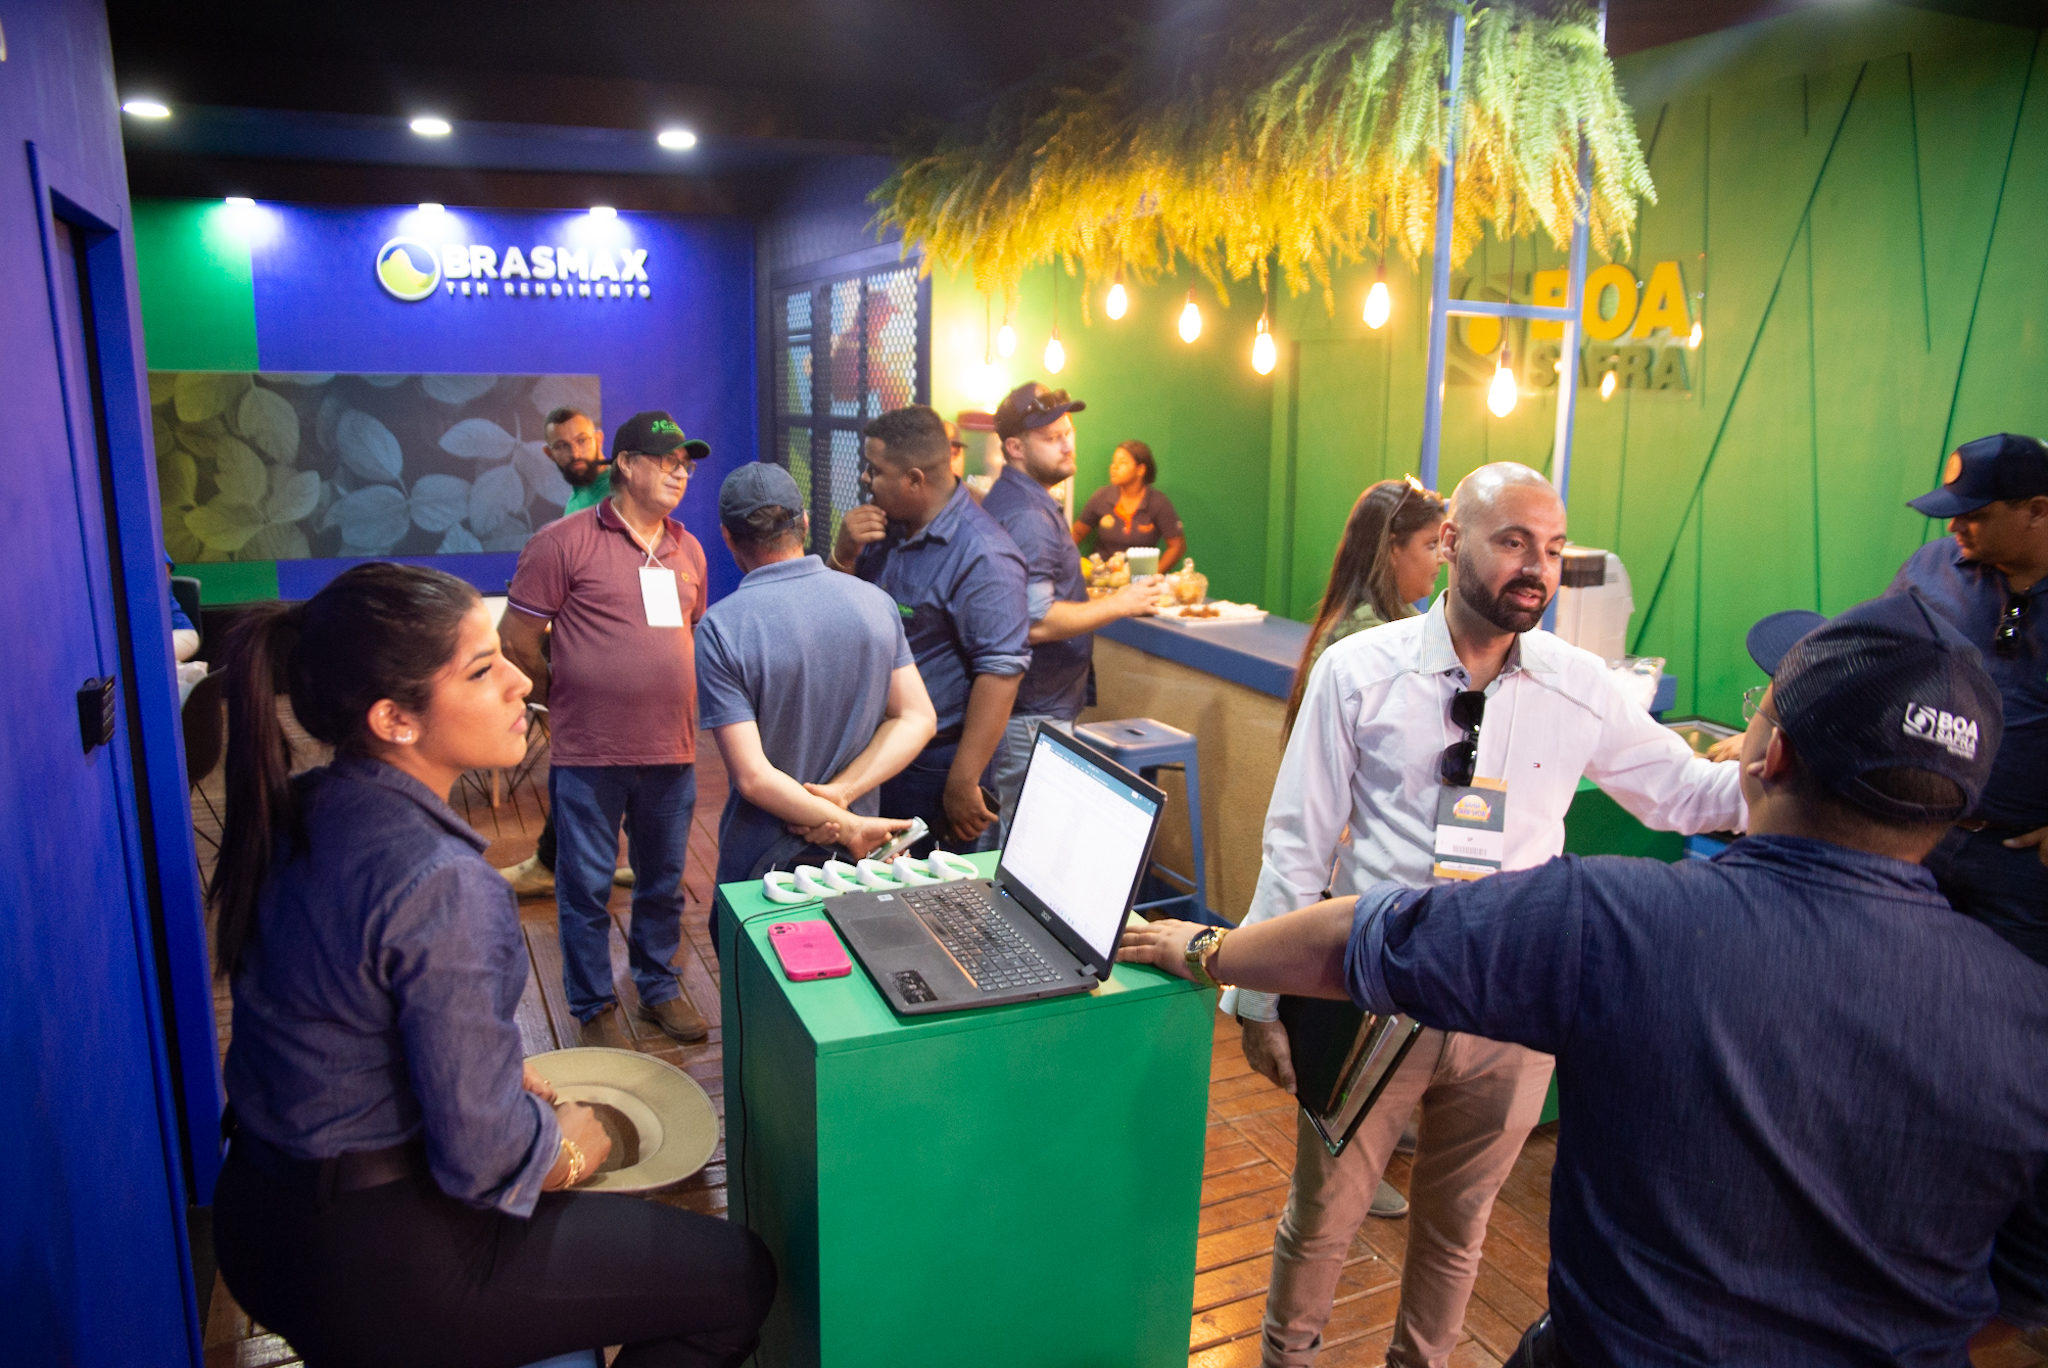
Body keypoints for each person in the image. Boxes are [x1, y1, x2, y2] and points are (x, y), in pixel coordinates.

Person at [1123, 590, 2048, 1367]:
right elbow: (2019, 1293)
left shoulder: (1617, 922)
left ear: (1769, 758)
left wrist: (1206, 951)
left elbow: (1359, 939)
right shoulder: (2027, 1014)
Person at [1221, 461, 1745, 1368]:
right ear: (1453, 542)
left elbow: (1684, 794)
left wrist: (1791, 775)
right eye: (1514, 542)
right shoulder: (1360, 671)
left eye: (1553, 548)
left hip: (1514, 1005)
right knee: (1324, 1217)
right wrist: (1260, 1000)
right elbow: (1298, 843)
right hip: (1371, 990)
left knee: (1459, 1225)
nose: (1537, 567)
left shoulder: (1581, 685)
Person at [208, 562, 775, 1368]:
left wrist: (498, 1077)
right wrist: (565, 1146)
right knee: (738, 1276)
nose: (522, 681)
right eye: (481, 669)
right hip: (372, 1259)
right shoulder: (439, 880)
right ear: (394, 719)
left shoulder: (306, 804)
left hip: (259, 1213)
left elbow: (350, 1033)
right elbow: (485, 1157)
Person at [503, 411, 713, 1050]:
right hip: (589, 753)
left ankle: (658, 987)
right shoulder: (562, 542)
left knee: (662, 882)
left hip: (672, 750)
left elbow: (686, 633)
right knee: (586, 887)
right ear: (625, 463)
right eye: (666, 460)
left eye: (686, 463)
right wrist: (562, 697)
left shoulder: (688, 549)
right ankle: (593, 1004)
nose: (681, 472)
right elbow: (515, 641)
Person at [696, 462, 936, 918]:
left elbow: (753, 776)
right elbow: (917, 717)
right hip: (860, 863)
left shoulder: (722, 627)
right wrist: (844, 798)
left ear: (728, 537)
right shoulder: (874, 602)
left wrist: (842, 820)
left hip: (765, 864)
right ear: (804, 522)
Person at [828, 404, 1030, 853]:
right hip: (875, 748)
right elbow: (836, 621)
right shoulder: (883, 529)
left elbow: (1001, 674)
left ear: (915, 480)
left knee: (926, 889)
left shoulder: (984, 555)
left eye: (875, 470)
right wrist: (842, 556)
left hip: (935, 765)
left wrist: (964, 779)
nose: (865, 478)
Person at [1890, 431, 2048, 965]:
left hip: (2023, 868)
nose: (1953, 526)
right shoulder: (1930, 569)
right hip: (1918, 836)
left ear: (2036, 511)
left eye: (1974, 514)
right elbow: (1868, 660)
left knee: (2016, 1004)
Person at [980, 383, 1159, 838]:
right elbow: (1035, 622)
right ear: (1015, 447)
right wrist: (1122, 602)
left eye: (1068, 432)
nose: (1066, 444)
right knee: (1022, 846)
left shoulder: (1021, 499)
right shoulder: (1029, 515)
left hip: (1029, 707)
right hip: (1030, 711)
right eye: (1051, 437)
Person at [494, 403, 649, 898]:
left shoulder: (619, 490)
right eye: (562, 445)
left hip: (621, 661)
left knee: (590, 768)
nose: (575, 452)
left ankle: (554, 864)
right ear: (549, 453)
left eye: (582, 440)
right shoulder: (579, 499)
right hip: (589, 660)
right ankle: (621, 863)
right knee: (599, 767)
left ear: (600, 439)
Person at [1283, 477, 1448, 739]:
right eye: (1431, 544)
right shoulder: (1365, 637)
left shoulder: (1400, 619)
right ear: (1393, 548)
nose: (1442, 557)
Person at [1073, 439, 1186, 571]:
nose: (1114, 467)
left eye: (1122, 462)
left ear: (1140, 470)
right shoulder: (1101, 497)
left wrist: (1153, 575)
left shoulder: (1158, 503)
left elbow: (1177, 546)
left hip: (1140, 577)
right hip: (1103, 577)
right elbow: (1077, 533)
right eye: (1114, 462)